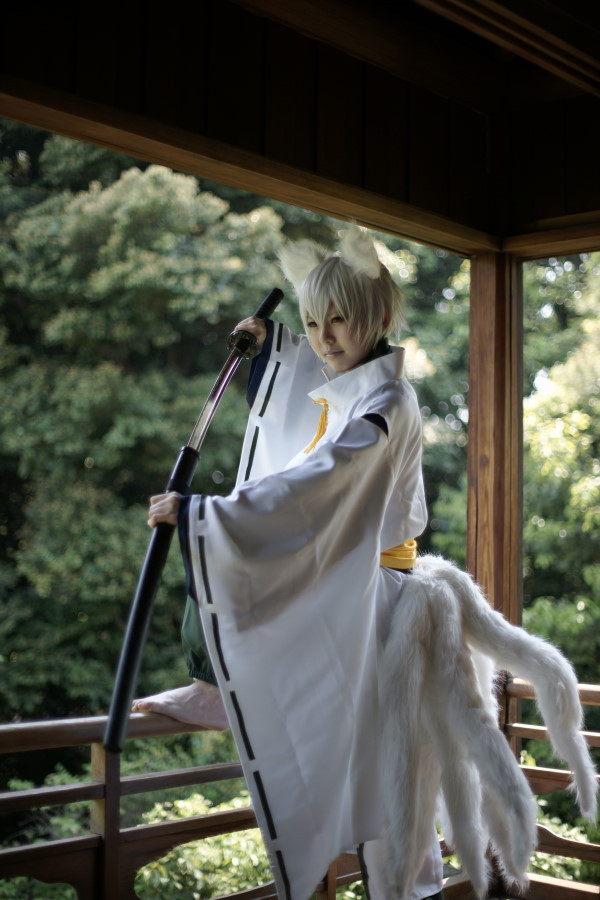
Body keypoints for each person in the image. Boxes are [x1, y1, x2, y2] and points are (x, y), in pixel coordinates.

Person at [134, 224, 446, 899]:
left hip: (378, 598)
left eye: (339, 319)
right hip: (353, 588)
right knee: (369, 762)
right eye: (311, 322)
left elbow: (324, 479)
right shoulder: (351, 384)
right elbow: (303, 379)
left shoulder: (386, 402)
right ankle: (214, 685)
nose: (324, 337)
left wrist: (203, 512)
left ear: (378, 319)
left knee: (391, 771)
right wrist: (268, 347)